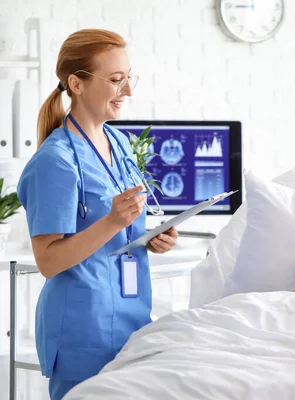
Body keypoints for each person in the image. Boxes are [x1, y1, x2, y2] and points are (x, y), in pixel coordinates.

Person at [16, 29, 179, 400]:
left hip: (130, 315)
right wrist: (112, 222)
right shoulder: (55, 162)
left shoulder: (118, 142)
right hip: (82, 327)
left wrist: (152, 237)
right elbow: (47, 260)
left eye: (129, 78)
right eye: (116, 80)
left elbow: (119, 231)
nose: (128, 91)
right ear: (76, 83)